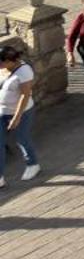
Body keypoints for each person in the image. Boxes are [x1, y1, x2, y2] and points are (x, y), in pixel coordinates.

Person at [0, 44, 38, 187]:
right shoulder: (4, 69)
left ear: (11, 61)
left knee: (22, 139)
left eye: (1, 62)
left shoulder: (24, 72)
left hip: (22, 112)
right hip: (2, 112)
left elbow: (25, 95)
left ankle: (32, 164)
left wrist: (17, 117)